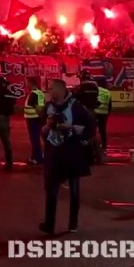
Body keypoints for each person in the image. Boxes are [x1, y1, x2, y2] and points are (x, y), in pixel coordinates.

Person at [39, 79, 94, 234]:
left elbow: (89, 128)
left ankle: (73, 224)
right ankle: (49, 224)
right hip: (54, 154)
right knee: (51, 190)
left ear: (61, 90)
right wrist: (46, 128)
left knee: (74, 190)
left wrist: (69, 127)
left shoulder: (76, 106)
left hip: (71, 153)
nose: (50, 92)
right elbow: (42, 129)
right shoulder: (49, 107)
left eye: (52, 89)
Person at [22, 78, 45, 165]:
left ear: (31, 83)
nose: (26, 85)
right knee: (35, 139)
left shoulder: (33, 94)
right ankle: (34, 157)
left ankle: (37, 158)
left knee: (34, 140)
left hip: (33, 120)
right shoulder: (39, 93)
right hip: (35, 119)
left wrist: (40, 118)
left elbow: (38, 108)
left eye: (27, 83)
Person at [94, 80, 112, 156]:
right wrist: (108, 113)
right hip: (104, 114)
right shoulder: (108, 92)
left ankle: (94, 146)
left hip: (96, 112)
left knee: (93, 130)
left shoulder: (96, 90)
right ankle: (104, 147)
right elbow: (110, 104)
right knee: (102, 131)